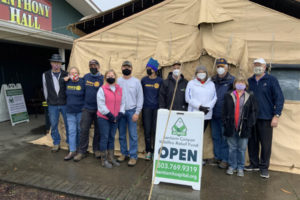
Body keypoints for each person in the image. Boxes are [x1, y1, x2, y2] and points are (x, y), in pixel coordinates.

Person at [246, 58, 284, 179]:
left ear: (265, 67)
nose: (257, 67)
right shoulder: (250, 81)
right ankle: (254, 164)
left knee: (266, 144)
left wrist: (276, 115)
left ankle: (264, 168)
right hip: (251, 118)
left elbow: (279, 98)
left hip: (266, 118)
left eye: (260, 65)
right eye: (255, 65)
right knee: (252, 142)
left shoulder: (271, 80)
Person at [222, 76, 258, 177]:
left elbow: (254, 111)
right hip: (231, 126)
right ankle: (232, 166)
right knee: (232, 148)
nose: (240, 84)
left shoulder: (249, 96)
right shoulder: (228, 95)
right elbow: (224, 110)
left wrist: (250, 123)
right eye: (238, 82)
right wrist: (225, 122)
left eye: (242, 83)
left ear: (246, 85)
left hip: (244, 127)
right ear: (234, 84)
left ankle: (240, 167)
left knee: (242, 149)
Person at [74, 59, 104, 162]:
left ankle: (97, 149)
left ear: (98, 67)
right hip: (86, 108)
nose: (93, 67)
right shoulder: (86, 77)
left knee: (98, 131)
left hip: (99, 109)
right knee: (84, 130)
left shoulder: (102, 78)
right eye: (91, 65)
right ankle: (82, 151)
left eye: (94, 65)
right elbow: (76, 84)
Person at [117, 61, 144, 166]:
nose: (126, 68)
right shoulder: (118, 81)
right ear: (121, 68)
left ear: (132, 69)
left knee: (133, 135)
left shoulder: (136, 82)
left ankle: (133, 156)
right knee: (122, 134)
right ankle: (123, 153)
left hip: (132, 111)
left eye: (128, 67)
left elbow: (140, 98)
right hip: (121, 111)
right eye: (124, 67)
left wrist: (137, 112)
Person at [97, 69, 125, 168]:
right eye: (108, 75)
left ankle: (111, 158)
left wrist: (120, 114)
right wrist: (110, 115)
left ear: (115, 77)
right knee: (105, 138)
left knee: (112, 138)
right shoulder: (102, 89)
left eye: (112, 75)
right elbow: (101, 105)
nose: (110, 77)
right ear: (105, 78)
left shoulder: (119, 89)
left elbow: (122, 103)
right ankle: (104, 160)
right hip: (104, 118)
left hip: (116, 118)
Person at [211, 58, 235, 169]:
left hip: (225, 115)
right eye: (218, 66)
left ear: (227, 67)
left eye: (222, 66)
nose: (220, 69)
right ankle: (217, 156)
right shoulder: (213, 80)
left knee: (225, 138)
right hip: (213, 113)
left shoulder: (232, 81)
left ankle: (225, 159)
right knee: (215, 136)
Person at [42, 54, 69, 152]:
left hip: (64, 103)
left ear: (61, 64)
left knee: (68, 124)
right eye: (54, 62)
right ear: (51, 63)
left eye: (58, 63)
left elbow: (69, 89)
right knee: (53, 124)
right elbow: (45, 89)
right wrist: (48, 101)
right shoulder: (45, 75)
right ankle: (56, 143)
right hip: (52, 104)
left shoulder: (66, 74)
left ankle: (70, 143)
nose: (56, 65)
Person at [141, 58, 163, 160]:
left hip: (156, 109)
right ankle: (148, 150)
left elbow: (162, 95)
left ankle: (155, 151)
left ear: (154, 69)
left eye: (149, 68)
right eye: (147, 67)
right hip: (146, 109)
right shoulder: (144, 80)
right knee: (147, 131)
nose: (148, 69)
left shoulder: (160, 81)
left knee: (156, 131)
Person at [185, 66, 217, 131]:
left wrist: (208, 108)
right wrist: (199, 106)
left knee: (201, 133)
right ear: (196, 74)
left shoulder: (211, 84)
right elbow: (188, 98)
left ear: (206, 73)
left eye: (203, 72)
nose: (201, 74)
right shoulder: (191, 83)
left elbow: (214, 98)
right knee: (193, 133)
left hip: (206, 114)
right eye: (199, 72)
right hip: (194, 113)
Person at [63, 67, 85, 160]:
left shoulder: (82, 82)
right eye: (71, 73)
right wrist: (64, 80)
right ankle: (72, 151)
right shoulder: (67, 82)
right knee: (72, 131)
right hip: (70, 111)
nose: (73, 74)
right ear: (69, 74)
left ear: (79, 74)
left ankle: (80, 150)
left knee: (80, 131)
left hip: (80, 111)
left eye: (75, 73)